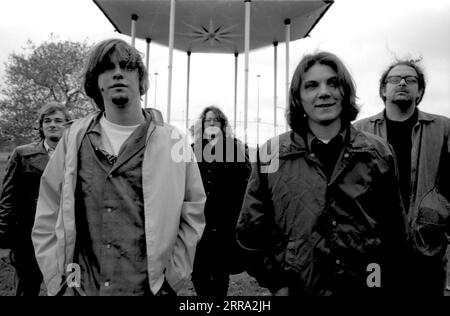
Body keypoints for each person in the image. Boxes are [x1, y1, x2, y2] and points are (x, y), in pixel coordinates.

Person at [31, 38, 206, 296]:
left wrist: (172, 278)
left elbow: (192, 213)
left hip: (148, 290)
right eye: (107, 68)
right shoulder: (74, 138)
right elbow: (48, 207)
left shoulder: (174, 142)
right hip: (82, 289)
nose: (117, 74)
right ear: (96, 82)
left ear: (141, 79)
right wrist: (59, 281)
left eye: (126, 66)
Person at [236, 51, 409, 296]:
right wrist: (277, 283)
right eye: (311, 86)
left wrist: (376, 283)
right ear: (299, 97)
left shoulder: (377, 153)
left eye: (333, 83)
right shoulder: (272, 154)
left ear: (345, 91)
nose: (324, 92)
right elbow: (250, 231)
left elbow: (394, 235)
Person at [354, 59, 450, 295]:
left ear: (420, 91)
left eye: (411, 79)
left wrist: (440, 206)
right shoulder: (360, 131)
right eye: (395, 79)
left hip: (426, 243)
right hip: (375, 247)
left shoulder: (443, 128)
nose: (403, 83)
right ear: (383, 89)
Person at [0, 102, 70, 296]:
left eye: (58, 120)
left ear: (67, 125)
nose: (52, 125)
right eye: (47, 121)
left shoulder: (78, 155)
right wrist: (4, 243)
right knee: (27, 288)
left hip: (68, 238)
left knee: (67, 290)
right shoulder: (22, 154)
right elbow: (7, 200)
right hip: (29, 239)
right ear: (41, 126)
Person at [190, 106, 251, 297]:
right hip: (199, 220)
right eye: (207, 120)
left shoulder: (235, 148)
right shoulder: (193, 150)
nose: (211, 123)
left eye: (215, 120)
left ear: (222, 125)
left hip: (224, 220)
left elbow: (246, 181)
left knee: (220, 272)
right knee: (198, 271)